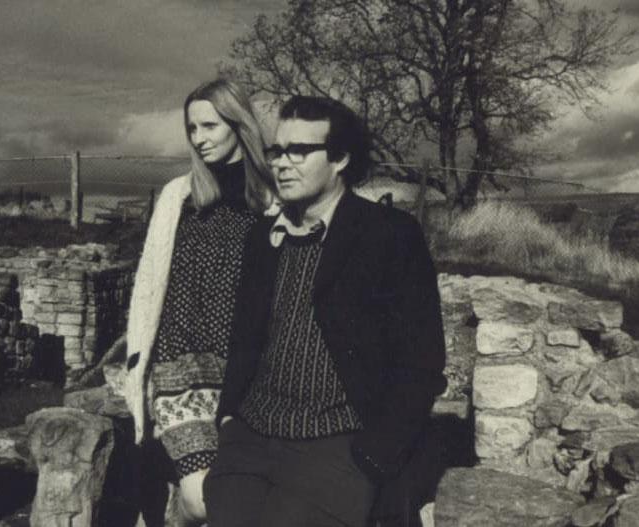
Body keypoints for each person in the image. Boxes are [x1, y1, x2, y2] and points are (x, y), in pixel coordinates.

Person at [204, 95, 447, 527]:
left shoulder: (389, 236)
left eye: (299, 151)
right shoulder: (262, 238)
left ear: (340, 159)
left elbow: (423, 361)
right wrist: (228, 418)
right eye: (277, 150)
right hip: (251, 437)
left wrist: (375, 455)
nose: (282, 163)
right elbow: (245, 338)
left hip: (338, 445)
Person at [123, 78, 276, 526]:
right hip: (181, 366)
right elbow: (149, 283)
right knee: (201, 500)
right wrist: (140, 361)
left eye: (209, 125)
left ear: (238, 124)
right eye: (192, 128)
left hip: (246, 371)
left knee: (240, 498)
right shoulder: (179, 195)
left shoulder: (272, 199)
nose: (199, 138)